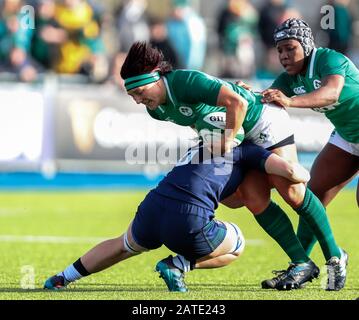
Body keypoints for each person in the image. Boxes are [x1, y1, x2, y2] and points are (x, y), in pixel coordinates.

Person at [120, 42, 348, 291]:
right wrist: (215, 139)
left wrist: (227, 139)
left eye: (141, 92)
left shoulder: (184, 81)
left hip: (261, 120)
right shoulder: (157, 110)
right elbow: (199, 117)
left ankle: (335, 257)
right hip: (236, 132)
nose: (139, 100)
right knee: (251, 198)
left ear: (156, 78)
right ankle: (301, 262)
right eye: (134, 96)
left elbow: (237, 103)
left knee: (292, 191)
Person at [44, 139, 316, 292]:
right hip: (188, 218)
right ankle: (178, 266)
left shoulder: (201, 143)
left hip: (154, 204)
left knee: (122, 245)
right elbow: (290, 173)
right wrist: (306, 174)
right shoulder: (247, 149)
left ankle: (63, 278)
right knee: (238, 242)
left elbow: (219, 189)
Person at [260, 18, 359, 260]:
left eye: (290, 48)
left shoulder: (328, 59)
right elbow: (264, 102)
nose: (284, 55)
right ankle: (302, 265)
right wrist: (244, 94)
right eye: (280, 50)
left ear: (306, 44)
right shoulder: (289, 78)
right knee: (312, 197)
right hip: (347, 137)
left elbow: (331, 93)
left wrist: (291, 101)